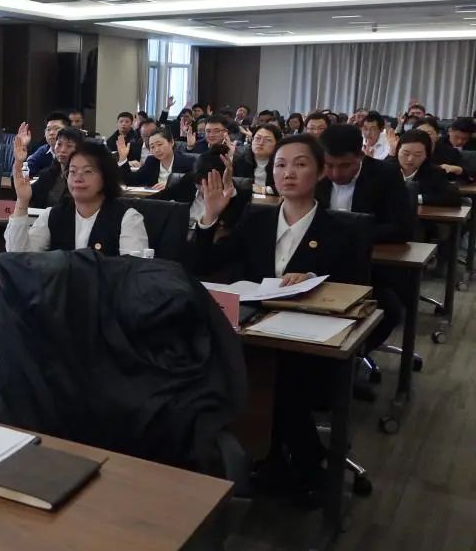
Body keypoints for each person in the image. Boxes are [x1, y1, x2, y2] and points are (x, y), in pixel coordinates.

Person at [191, 135, 364, 500]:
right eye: (281, 165)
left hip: (308, 342)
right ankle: (250, 458)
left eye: (300, 164)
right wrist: (210, 216)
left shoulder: (342, 230)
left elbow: (357, 292)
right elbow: (201, 264)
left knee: (285, 383)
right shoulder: (257, 220)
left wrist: (316, 279)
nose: (288, 173)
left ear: (320, 172)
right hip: (253, 332)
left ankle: (301, 466)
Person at [317, 122, 413, 357]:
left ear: (361, 155)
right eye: (329, 165)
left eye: (345, 165)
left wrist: (355, 234)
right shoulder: (316, 173)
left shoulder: (386, 175)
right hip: (319, 262)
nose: (335, 174)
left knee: (388, 309)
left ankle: (353, 357)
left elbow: (401, 228)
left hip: (370, 266)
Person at [5, 142, 149, 255]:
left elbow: (133, 272)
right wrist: (22, 201)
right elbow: (19, 255)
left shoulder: (127, 218)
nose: (78, 178)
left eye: (87, 171)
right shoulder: (54, 215)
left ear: (106, 177)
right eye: (72, 171)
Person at [156, 144, 250, 232]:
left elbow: (233, 223)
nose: (203, 189)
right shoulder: (189, 180)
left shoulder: (238, 197)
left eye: (208, 185)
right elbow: (161, 198)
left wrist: (229, 189)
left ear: (222, 179)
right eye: (199, 184)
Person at [394, 129, 460, 208]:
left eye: (417, 155)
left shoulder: (435, 172)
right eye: (406, 153)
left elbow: (452, 197)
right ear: (398, 151)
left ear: (426, 155)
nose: (410, 159)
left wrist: (415, 198)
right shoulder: (387, 169)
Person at [30, 127, 85, 209]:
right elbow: (29, 195)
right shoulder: (46, 174)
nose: (62, 150)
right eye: (59, 144)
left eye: (69, 146)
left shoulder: (82, 179)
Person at [123, 128, 194, 187]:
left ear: (171, 142)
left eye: (159, 144)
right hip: (156, 199)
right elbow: (133, 181)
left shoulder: (187, 162)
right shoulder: (151, 162)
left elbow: (193, 184)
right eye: (152, 147)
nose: (156, 150)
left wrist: (170, 185)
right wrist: (123, 159)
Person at [234, 122, 280, 194]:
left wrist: (265, 190)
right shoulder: (239, 158)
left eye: (267, 140)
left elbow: (289, 186)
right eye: (257, 138)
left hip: (273, 200)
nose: (261, 143)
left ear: (277, 144)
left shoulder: (282, 161)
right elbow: (232, 182)